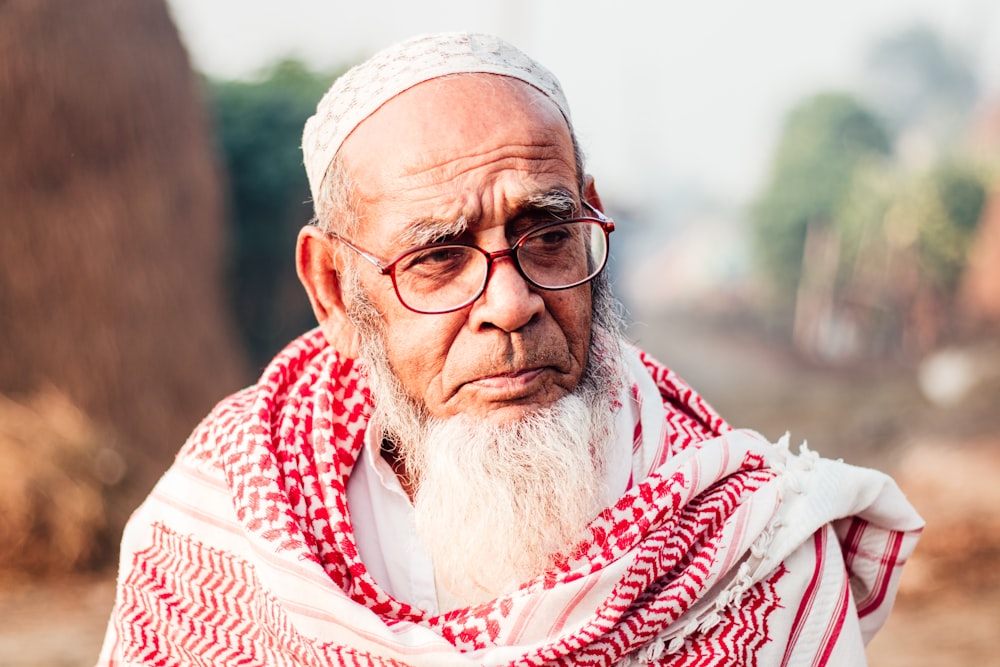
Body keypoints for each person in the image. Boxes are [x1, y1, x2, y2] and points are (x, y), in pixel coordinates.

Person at [98, 32, 922, 666]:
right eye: (437, 257)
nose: (511, 302)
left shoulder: (752, 549)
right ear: (333, 291)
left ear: (593, 216)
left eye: (549, 235)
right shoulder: (220, 534)